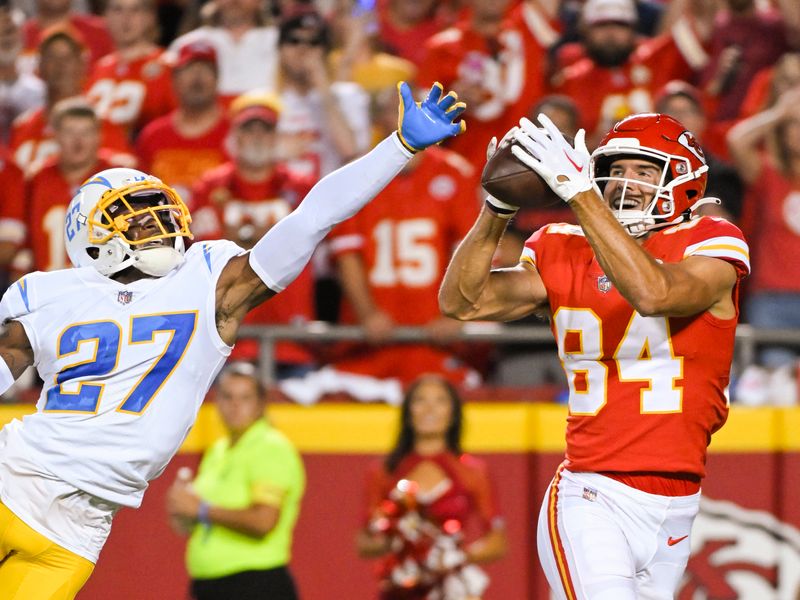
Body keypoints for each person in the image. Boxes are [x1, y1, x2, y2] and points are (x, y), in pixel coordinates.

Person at [0, 80, 465, 599]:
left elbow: (312, 219)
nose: (154, 220)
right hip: (12, 475)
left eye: (157, 206)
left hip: (78, 528)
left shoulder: (206, 277)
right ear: (90, 234)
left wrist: (396, 147)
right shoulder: (46, 293)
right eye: (131, 213)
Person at [439, 112, 750, 599]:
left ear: (684, 183)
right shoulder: (561, 245)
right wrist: (497, 207)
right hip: (593, 494)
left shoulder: (709, 240)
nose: (625, 183)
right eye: (617, 169)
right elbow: (462, 301)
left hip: (678, 504)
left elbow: (656, 294)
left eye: (644, 171)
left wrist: (581, 197)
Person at [356, 374, 507, 599]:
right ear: (408, 413)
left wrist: (455, 557)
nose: (430, 409)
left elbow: (497, 541)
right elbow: (364, 542)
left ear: (453, 413)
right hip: (400, 589)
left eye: (440, 401)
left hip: (451, 591)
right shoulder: (384, 471)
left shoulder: (473, 471)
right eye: (420, 400)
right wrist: (399, 537)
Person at [167, 361, 305, 600]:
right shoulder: (219, 450)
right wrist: (184, 513)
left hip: (255, 584)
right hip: (214, 585)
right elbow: (205, 516)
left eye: (245, 398)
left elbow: (263, 521)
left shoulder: (270, 447)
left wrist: (200, 510)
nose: (235, 406)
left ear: (261, 404)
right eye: (227, 397)